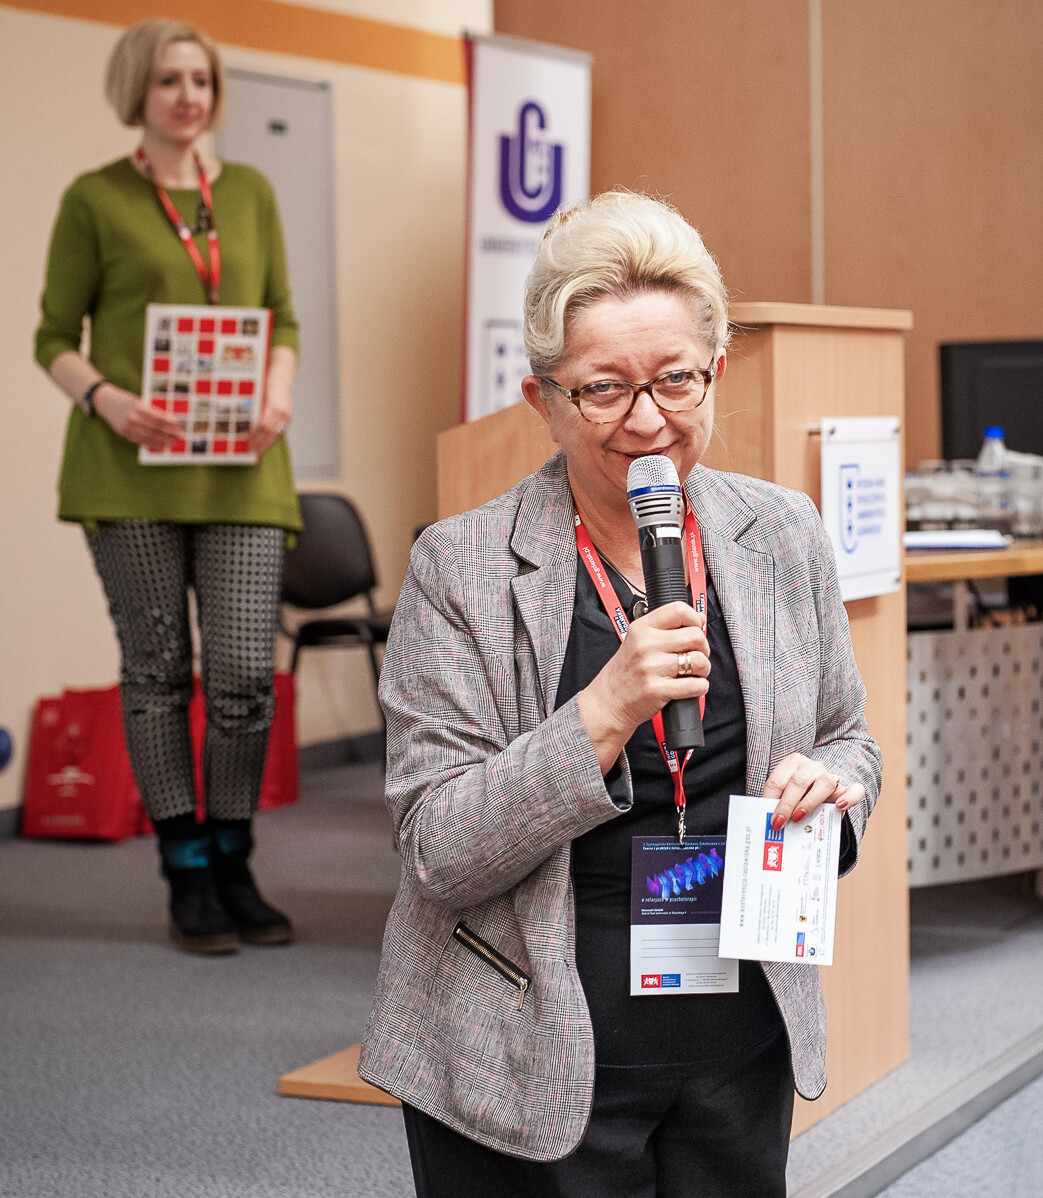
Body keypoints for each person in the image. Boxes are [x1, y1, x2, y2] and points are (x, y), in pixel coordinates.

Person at [360, 191, 883, 1197]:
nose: (647, 420)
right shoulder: (462, 569)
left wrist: (832, 787)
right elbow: (436, 846)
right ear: (543, 400)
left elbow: (850, 738)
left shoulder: (782, 534)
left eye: (674, 379)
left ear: (716, 371)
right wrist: (601, 713)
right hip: (529, 1053)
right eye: (603, 389)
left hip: (738, 1045)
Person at [34, 19, 301, 955]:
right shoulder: (95, 199)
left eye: (201, 79)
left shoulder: (252, 192)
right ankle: (186, 868)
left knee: (242, 677)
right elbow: (52, 338)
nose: (189, 96)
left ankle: (234, 855)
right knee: (157, 671)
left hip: (242, 470)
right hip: (129, 471)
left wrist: (276, 393)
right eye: (169, 80)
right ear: (137, 92)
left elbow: (281, 318)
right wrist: (107, 400)